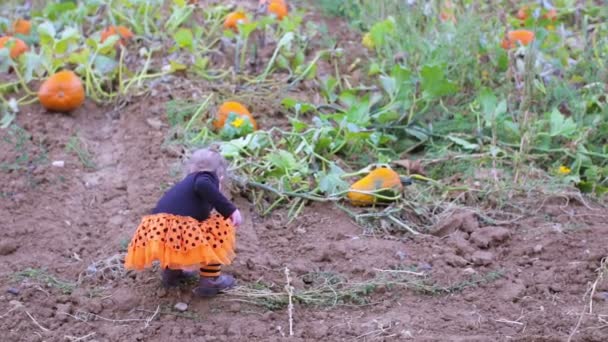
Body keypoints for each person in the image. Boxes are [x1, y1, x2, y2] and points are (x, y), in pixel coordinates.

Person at [124, 148, 243, 297]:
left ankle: (172, 273)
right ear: (220, 175)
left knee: (173, 244)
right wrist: (230, 210)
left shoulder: (188, 182)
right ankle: (210, 280)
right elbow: (204, 185)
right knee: (215, 234)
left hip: (157, 226)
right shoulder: (205, 178)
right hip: (177, 225)